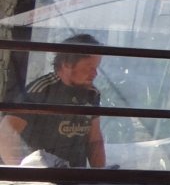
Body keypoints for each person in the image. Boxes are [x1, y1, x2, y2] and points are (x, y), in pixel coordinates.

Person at [0, 34, 108, 169]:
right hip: (44, 180)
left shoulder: (92, 94)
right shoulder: (41, 91)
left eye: (96, 67)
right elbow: (6, 132)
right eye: (89, 67)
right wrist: (22, 173)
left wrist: (99, 177)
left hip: (77, 179)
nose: (95, 73)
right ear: (67, 64)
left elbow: (94, 140)